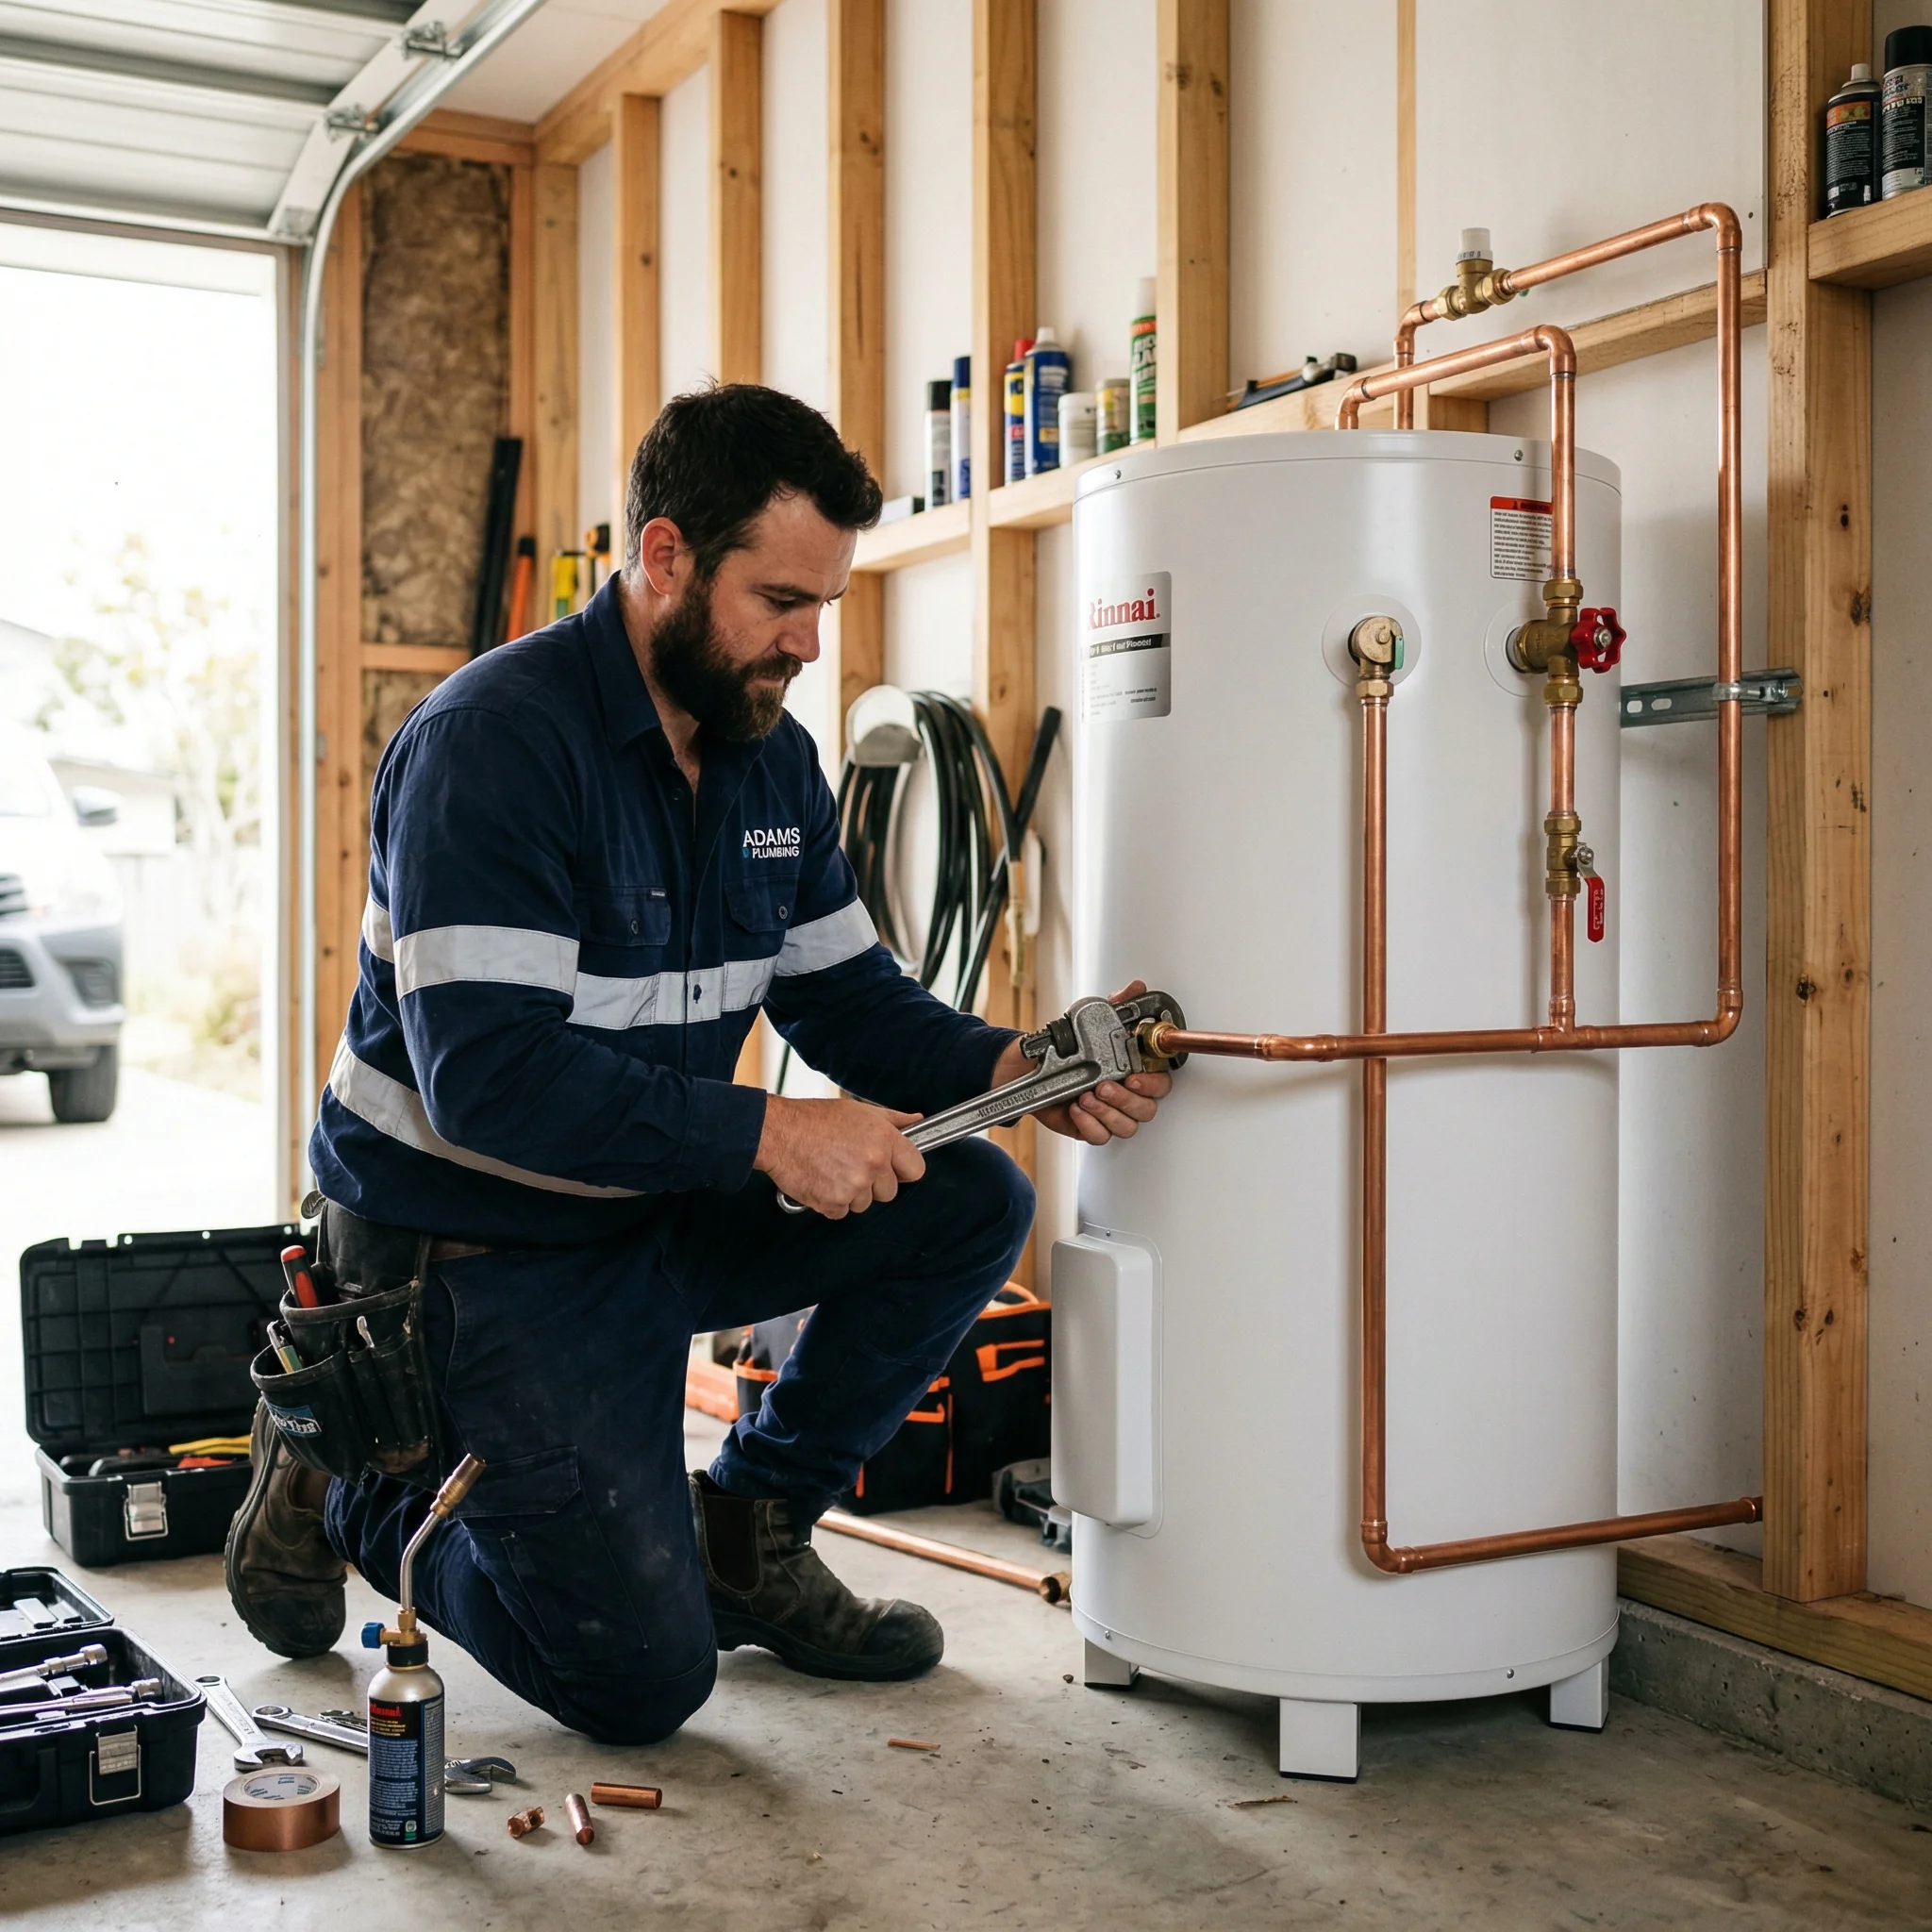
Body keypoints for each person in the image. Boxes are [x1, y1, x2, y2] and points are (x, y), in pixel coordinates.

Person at [226, 383, 1170, 1743]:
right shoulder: (493, 748)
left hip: (646, 1212)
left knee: (972, 1199)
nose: (808, 642)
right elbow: (487, 1082)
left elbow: (853, 1004)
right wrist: (774, 1136)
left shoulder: (769, 763)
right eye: (780, 598)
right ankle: (346, 1463)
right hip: (469, 1262)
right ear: (663, 556)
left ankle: (751, 1530)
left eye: (826, 604)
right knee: (641, 1689)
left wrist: (1023, 1060)